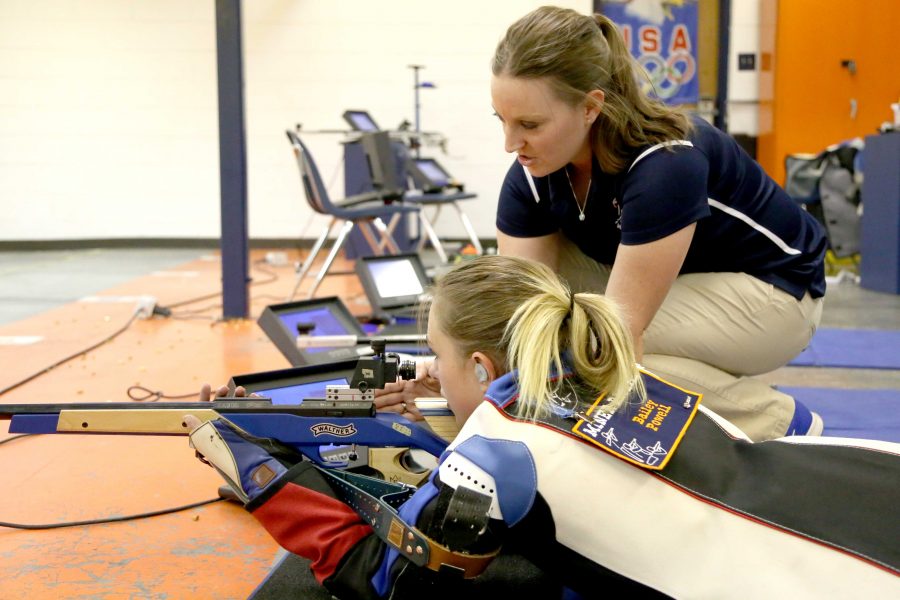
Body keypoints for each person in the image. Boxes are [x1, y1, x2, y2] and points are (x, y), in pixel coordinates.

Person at [185, 256, 899, 599]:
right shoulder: (613, 373)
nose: (427, 372)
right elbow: (572, 473)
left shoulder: (497, 450)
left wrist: (259, 473)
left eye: (435, 358)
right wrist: (448, 432)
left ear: (477, 361)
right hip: (868, 491)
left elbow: (384, 580)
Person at [438, 5, 826, 442]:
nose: (511, 143)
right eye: (502, 120)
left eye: (529, 124)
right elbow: (513, 315)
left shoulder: (665, 165)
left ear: (590, 107)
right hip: (684, 286)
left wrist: (498, 413)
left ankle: (773, 420)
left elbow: (618, 336)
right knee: (537, 313)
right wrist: (445, 378)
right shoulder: (532, 176)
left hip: (778, 297)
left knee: (584, 339)